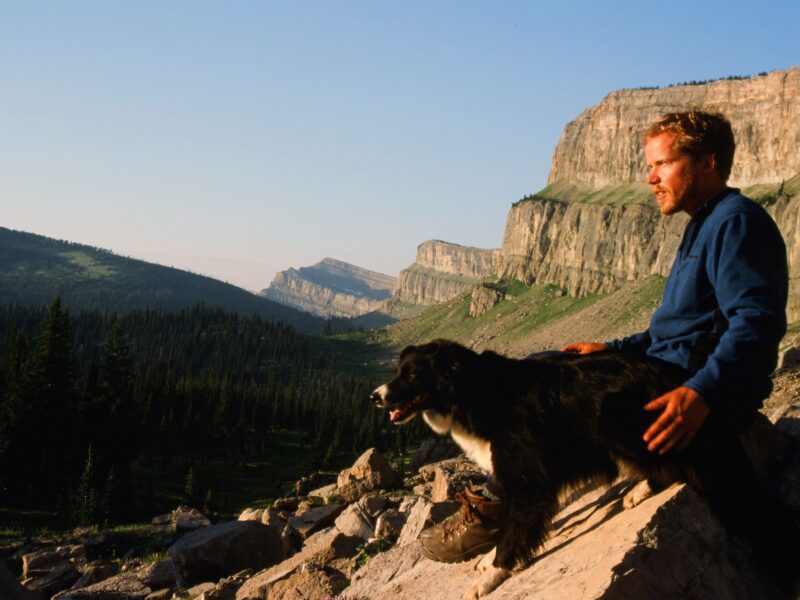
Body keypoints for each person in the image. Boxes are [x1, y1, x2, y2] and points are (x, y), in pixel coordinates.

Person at [420, 111, 798, 590]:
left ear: (708, 162)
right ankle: (512, 495)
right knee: (544, 369)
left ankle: (512, 508)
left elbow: (755, 324)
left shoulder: (735, 223)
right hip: (668, 370)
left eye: (663, 164)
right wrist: (611, 348)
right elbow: (681, 328)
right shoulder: (702, 223)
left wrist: (700, 393)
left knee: (539, 401)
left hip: (686, 393)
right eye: (650, 165)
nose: (650, 177)